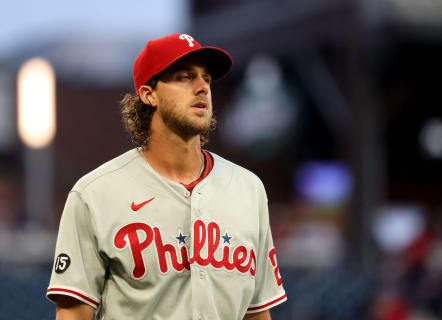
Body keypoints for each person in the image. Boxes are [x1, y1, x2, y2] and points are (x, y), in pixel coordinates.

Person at [46, 33, 287, 320]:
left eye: (206, 79)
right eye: (185, 77)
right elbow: (73, 314)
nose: (202, 88)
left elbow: (257, 312)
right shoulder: (95, 193)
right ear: (149, 95)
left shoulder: (248, 189)